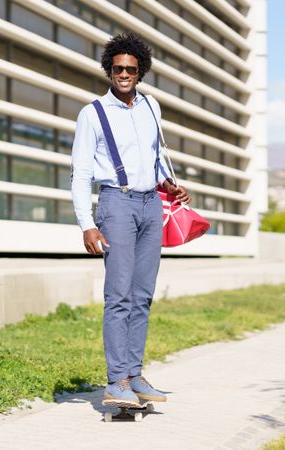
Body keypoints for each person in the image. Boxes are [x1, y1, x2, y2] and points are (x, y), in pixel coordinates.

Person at [71, 32, 190, 407]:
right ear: (109, 70)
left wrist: (169, 184)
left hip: (151, 205)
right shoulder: (93, 113)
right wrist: (86, 223)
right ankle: (116, 380)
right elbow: (80, 172)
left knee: (142, 296)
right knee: (118, 296)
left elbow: (153, 160)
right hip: (116, 205)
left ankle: (135, 376)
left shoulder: (151, 107)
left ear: (141, 73)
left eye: (131, 69)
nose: (124, 74)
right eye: (118, 68)